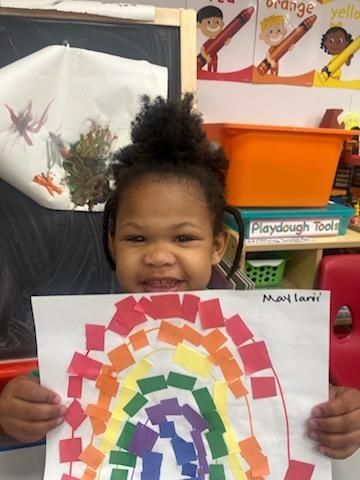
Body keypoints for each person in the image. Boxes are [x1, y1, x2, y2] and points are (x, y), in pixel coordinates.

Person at [0, 94, 360, 461]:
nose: (158, 256)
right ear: (112, 242)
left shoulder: (259, 326)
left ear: (218, 245)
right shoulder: (88, 325)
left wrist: (343, 416)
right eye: (136, 238)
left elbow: (303, 399)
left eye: (184, 238)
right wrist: (16, 408)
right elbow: (51, 387)